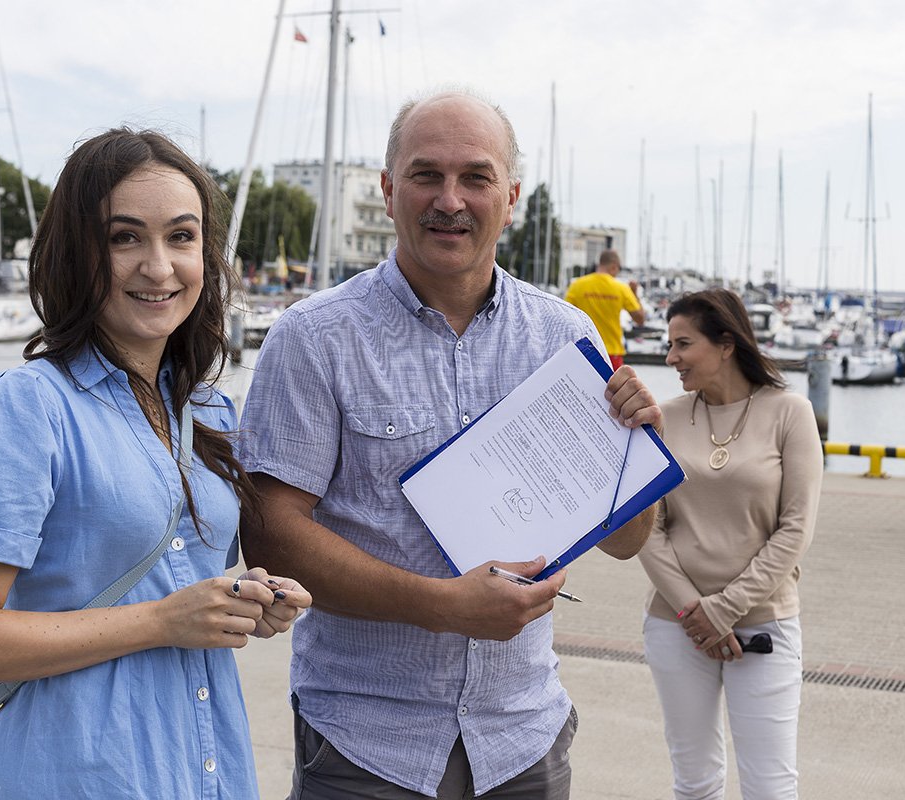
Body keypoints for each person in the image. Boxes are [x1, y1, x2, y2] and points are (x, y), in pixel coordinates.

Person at [239, 89, 664, 799]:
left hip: (523, 737)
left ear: (513, 196)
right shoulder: (312, 339)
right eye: (425, 174)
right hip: (366, 745)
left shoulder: (566, 339)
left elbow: (626, 540)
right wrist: (443, 605)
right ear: (387, 189)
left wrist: (640, 446)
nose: (450, 199)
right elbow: (271, 536)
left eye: (475, 177)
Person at [0, 128, 312, 799]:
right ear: (79, 255)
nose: (159, 267)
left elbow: (180, 580)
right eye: (124, 237)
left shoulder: (209, 411)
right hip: (75, 774)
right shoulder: (26, 408)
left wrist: (250, 598)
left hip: (203, 769)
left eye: (182, 237)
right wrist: (163, 620)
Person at [638, 287, 823, 799]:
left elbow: (795, 528)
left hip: (764, 627)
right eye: (669, 345)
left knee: (770, 786)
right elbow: (648, 527)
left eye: (682, 344)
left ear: (725, 344)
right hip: (677, 625)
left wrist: (725, 610)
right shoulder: (665, 418)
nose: (670, 357)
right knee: (694, 783)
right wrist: (694, 611)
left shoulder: (790, 413)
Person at [564, 248, 644, 371]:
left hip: (583, 351)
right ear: (613, 267)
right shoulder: (621, 288)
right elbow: (640, 319)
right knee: (612, 390)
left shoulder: (577, 285)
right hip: (611, 353)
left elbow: (564, 317)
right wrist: (634, 293)